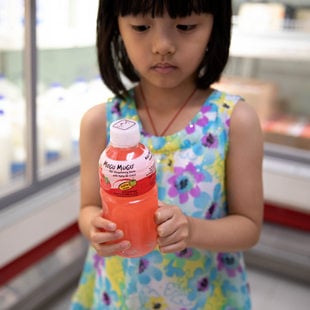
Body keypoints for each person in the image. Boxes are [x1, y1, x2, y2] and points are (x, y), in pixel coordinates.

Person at [71, 0, 264, 309]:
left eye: (185, 26)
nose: (162, 46)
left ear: (215, 27)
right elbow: (88, 209)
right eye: (141, 27)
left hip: (202, 296)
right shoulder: (100, 122)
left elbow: (249, 227)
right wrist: (97, 227)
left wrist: (193, 229)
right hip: (118, 295)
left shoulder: (234, 120)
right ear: (115, 28)